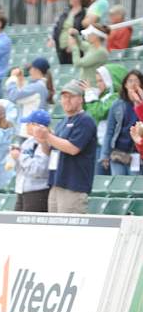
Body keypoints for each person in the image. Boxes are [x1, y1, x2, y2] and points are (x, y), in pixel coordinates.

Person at [34, 80, 97, 214]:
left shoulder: (85, 120)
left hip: (73, 185)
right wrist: (42, 140)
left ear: (80, 99)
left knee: (70, 231)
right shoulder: (62, 122)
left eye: (71, 96)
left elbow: (73, 148)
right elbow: (50, 151)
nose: (66, 100)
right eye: (64, 96)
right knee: (55, 230)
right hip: (57, 182)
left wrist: (48, 136)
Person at [82, 63, 128, 174]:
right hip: (98, 144)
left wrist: (89, 93)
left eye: (101, 81)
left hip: (110, 147)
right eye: (97, 81)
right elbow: (88, 112)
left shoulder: (116, 97)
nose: (98, 84)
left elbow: (99, 112)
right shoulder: (102, 97)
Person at [101, 70, 143, 176]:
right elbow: (109, 131)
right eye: (130, 81)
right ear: (125, 84)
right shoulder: (117, 104)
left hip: (136, 153)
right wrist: (105, 154)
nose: (133, 84)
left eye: (136, 81)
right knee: (118, 184)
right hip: (118, 152)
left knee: (134, 186)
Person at [11, 109, 51, 212]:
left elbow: (38, 170)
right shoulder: (27, 142)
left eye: (29, 123)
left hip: (38, 192)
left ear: (36, 125)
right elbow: (19, 168)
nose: (26, 126)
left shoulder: (46, 142)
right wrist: (14, 159)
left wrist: (19, 157)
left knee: (31, 227)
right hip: (22, 190)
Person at [49, 0, 88, 64]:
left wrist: (74, 45)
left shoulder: (84, 13)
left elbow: (85, 33)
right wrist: (52, 38)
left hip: (74, 50)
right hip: (61, 49)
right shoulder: (65, 11)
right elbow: (57, 27)